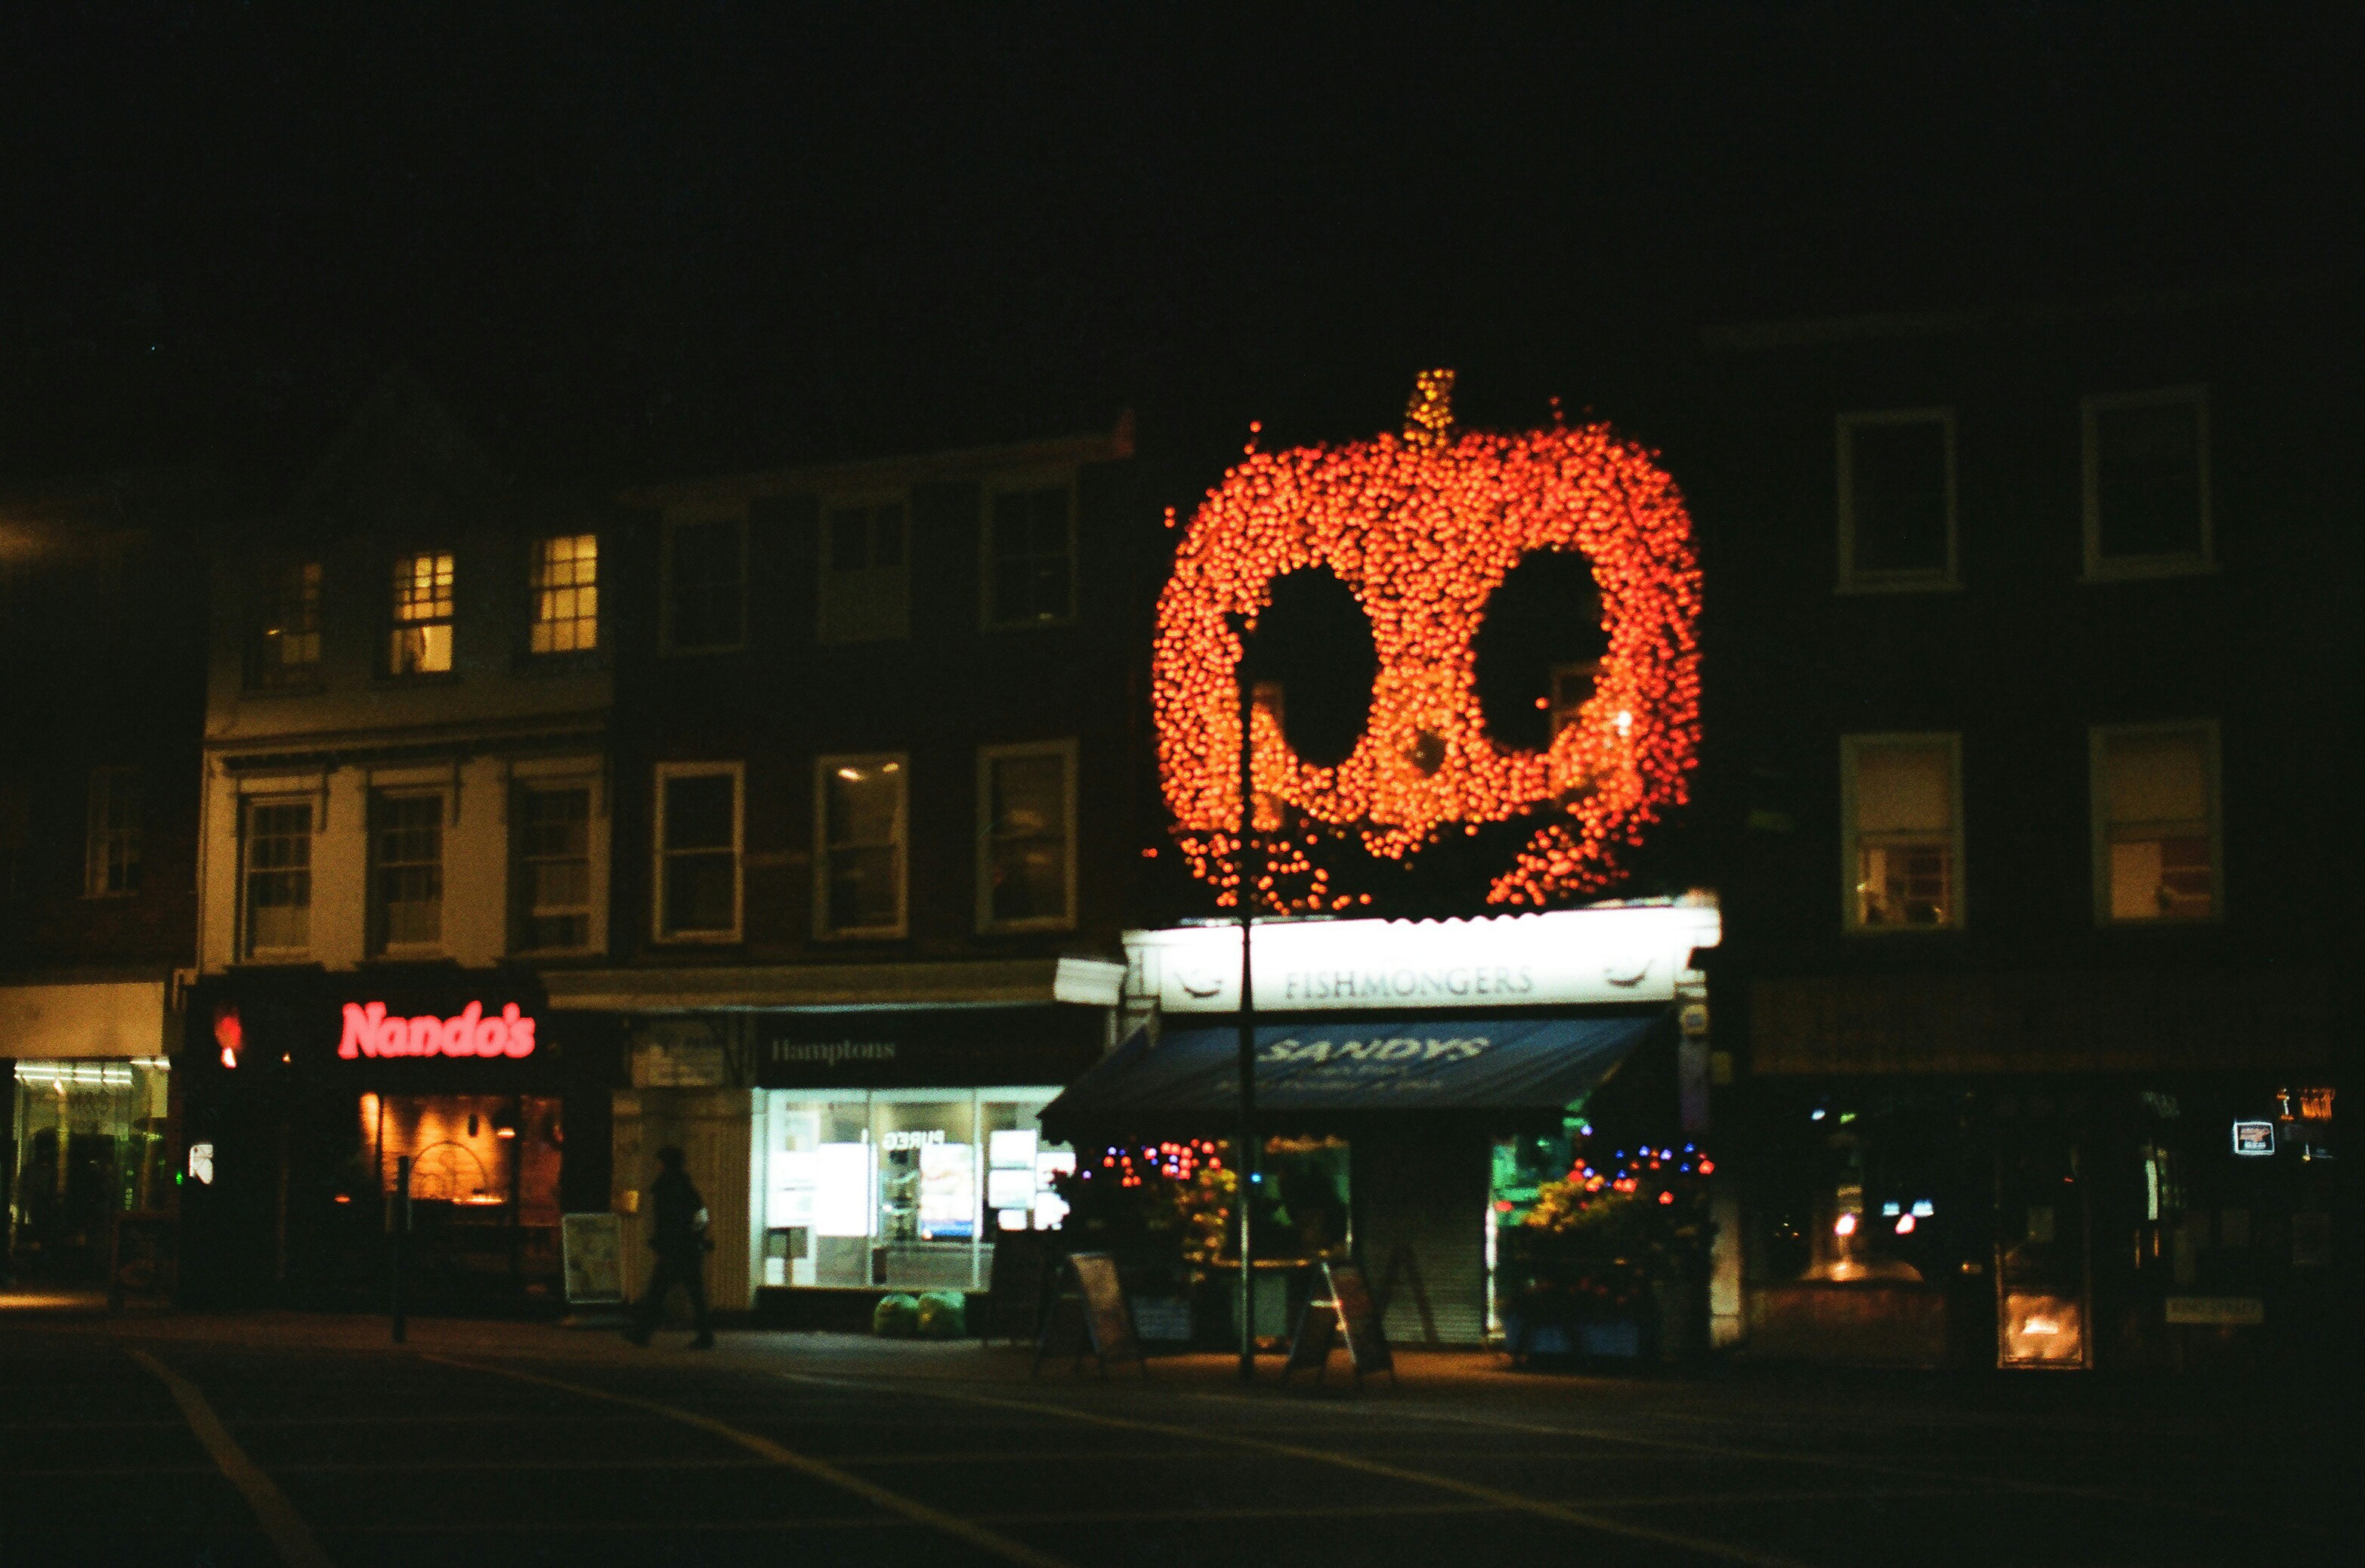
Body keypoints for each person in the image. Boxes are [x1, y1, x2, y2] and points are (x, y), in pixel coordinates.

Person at [626, 1145, 715, 1348]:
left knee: (657, 1292)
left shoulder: (665, 1188)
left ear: (664, 1164)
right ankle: (705, 1334)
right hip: (689, 1248)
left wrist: (663, 1244)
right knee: (695, 1293)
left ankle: (642, 1332)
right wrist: (697, 1238)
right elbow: (701, 1216)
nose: (656, 1166)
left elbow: (666, 1221)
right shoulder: (688, 1188)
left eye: (658, 1162)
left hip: (674, 1250)